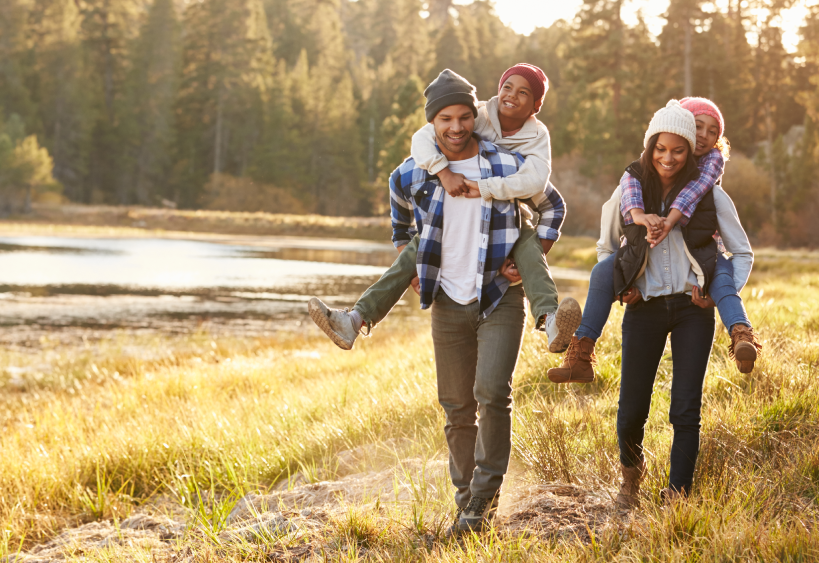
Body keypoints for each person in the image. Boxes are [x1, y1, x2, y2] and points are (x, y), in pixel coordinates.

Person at [308, 64, 581, 355]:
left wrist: (527, 257)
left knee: (528, 244)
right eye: (507, 87)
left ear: (536, 105)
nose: (457, 126)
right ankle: (354, 320)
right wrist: (442, 172)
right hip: (450, 222)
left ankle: (550, 320)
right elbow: (423, 138)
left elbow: (541, 186)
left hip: (510, 219)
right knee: (417, 247)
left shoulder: (534, 140)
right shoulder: (475, 116)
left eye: (523, 92)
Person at [591, 101, 753, 505]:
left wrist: (715, 293)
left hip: (690, 311)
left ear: (688, 151)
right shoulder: (630, 191)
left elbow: (742, 253)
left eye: (679, 149)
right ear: (652, 146)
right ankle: (631, 478)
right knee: (631, 408)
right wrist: (622, 284)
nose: (669, 156)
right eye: (662, 148)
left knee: (685, 408)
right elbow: (605, 248)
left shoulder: (711, 195)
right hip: (643, 309)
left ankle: (678, 492)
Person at [548, 97, 761, 384]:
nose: (704, 136)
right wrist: (625, 281)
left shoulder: (709, 176)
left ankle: (741, 334)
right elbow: (613, 226)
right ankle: (581, 352)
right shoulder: (636, 176)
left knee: (722, 277)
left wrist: (670, 221)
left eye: (713, 131)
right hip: (644, 280)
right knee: (601, 272)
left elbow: (695, 194)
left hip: (702, 262)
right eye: (698, 127)